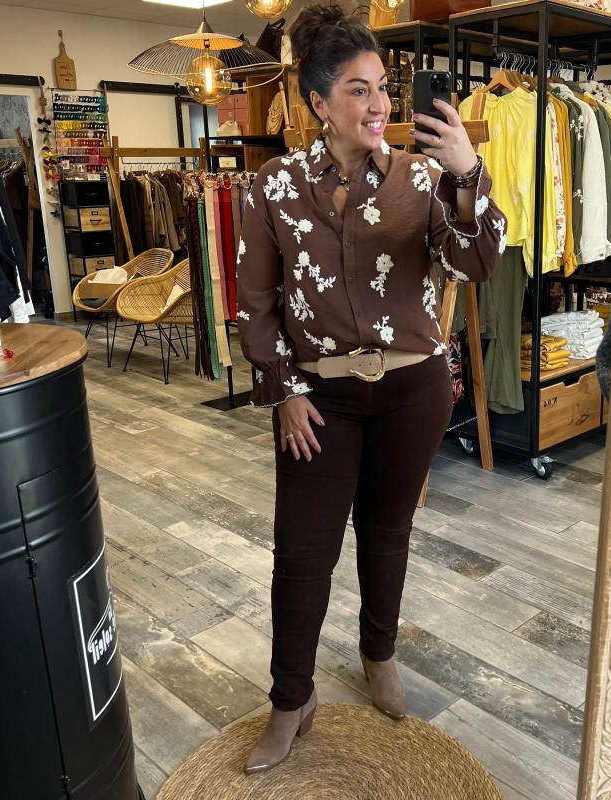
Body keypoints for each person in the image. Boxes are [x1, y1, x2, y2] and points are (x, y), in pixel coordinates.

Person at [236, 4, 507, 774]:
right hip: (318, 399)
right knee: (302, 550)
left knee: (388, 532)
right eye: (358, 89)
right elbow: (255, 300)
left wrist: (467, 175)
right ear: (319, 102)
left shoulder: (423, 178)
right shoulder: (275, 186)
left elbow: (475, 261)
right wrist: (284, 390)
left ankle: (378, 653)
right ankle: (291, 699)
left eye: (383, 86)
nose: (379, 102)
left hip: (412, 390)